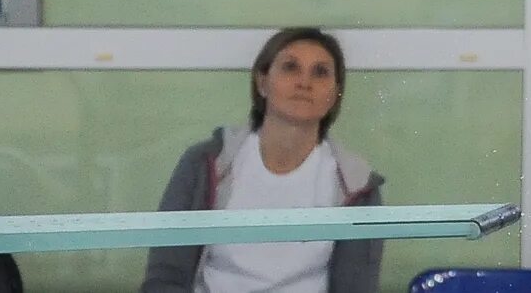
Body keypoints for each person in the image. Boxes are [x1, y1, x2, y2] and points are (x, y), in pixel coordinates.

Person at [141, 27, 384, 293]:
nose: (305, 82)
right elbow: (165, 278)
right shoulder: (204, 163)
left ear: (336, 94)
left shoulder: (358, 185)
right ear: (262, 82)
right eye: (290, 67)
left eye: (320, 72)